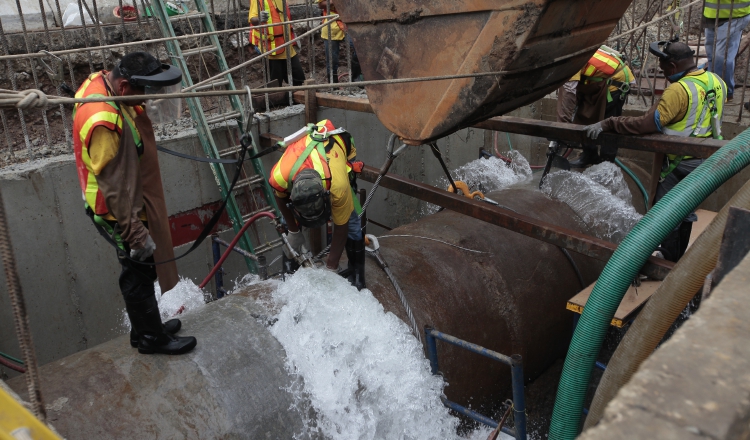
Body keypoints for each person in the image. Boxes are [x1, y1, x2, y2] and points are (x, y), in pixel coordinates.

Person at [73, 52, 197, 355]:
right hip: (114, 208)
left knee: (140, 269)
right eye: (144, 92)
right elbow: (114, 187)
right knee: (138, 270)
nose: (147, 100)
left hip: (125, 194)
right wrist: (134, 233)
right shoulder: (102, 119)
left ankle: (145, 328)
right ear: (125, 86)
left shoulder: (104, 82)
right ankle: (152, 339)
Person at [582, 41, 726, 262]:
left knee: (665, 214)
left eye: (663, 67)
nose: (663, 72)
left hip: (681, 162)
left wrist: (609, 123)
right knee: (685, 211)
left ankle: (664, 261)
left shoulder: (679, 90)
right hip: (707, 159)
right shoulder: (716, 81)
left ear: (673, 64)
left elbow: (647, 125)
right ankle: (673, 259)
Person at [269, 120, 366, 289]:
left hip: (337, 148)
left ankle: (357, 274)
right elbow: (280, 197)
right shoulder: (280, 177)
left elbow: (340, 227)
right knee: (288, 223)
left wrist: (331, 268)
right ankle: (290, 273)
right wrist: (293, 230)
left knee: (351, 222)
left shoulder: (338, 186)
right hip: (304, 157)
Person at [557, 45, 634, 167]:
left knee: (609, 124)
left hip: (615, 83)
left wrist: (563, 125)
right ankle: (590, 155)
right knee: (585, 117)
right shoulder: (573, 52)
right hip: (598, 82)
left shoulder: (572, 60)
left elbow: (569, 93)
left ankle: (606, 163)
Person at [249, 0, 305, 87]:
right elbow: (252, 19)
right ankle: (276, 100)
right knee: (274, 84)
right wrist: (259, 18)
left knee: (298, 79)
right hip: (272, 50)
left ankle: (296, 99)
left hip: (287, 46)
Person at [703, 0, 750, 101]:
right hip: (711, 13)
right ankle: (713, 87)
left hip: (734, 14)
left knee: (721, 56)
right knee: (712, 55)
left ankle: (724, 92)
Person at [317, 0, 362, 83]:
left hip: (349, 24)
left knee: (359, 49)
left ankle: (356, 77)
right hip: (331, 26)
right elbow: (320, 5)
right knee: (332, 58)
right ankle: (333, 83)